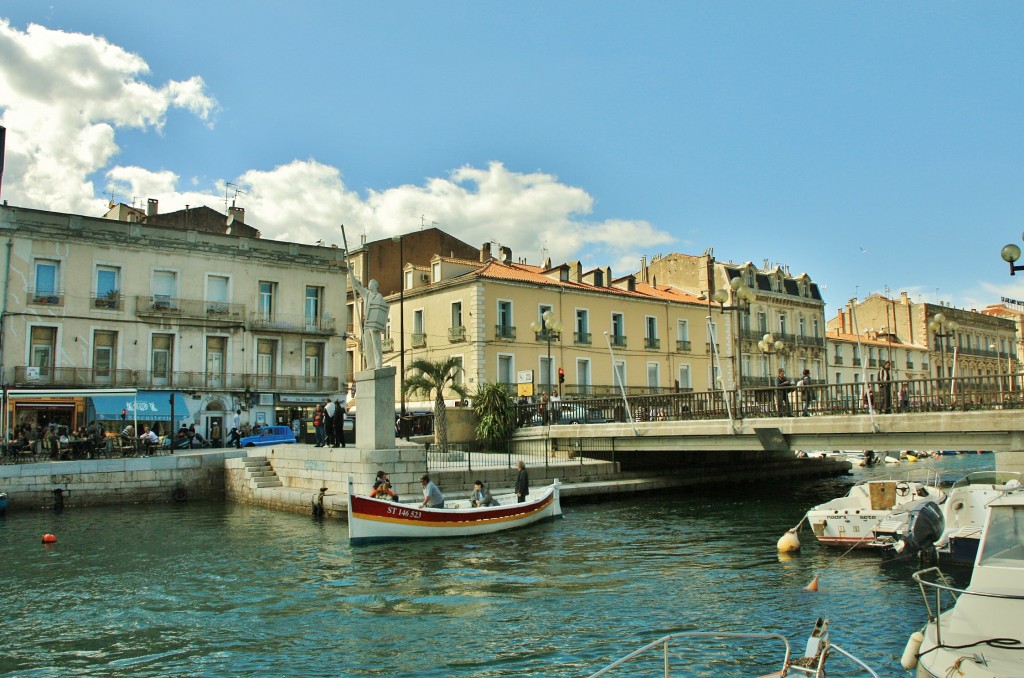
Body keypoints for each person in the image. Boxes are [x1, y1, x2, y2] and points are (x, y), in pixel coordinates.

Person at [346, 265, 390, 371]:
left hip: (374, 323)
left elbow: (382, 310)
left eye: (372, 284)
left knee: (376, 344)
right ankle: (370, 364)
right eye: (369, 284)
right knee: (368, 345)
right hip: (366, 323)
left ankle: (378, 364)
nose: (369, 285)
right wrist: (351, 271)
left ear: (375, 286)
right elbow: (356, 284)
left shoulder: (379, 297)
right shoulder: (367, 294)